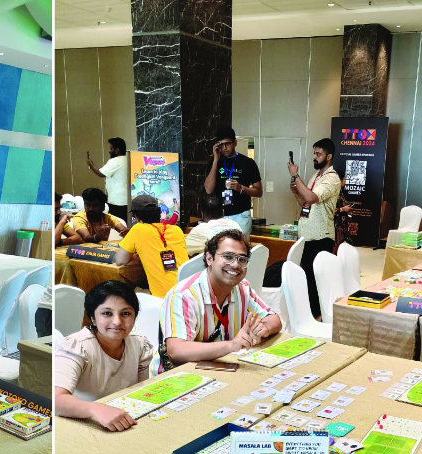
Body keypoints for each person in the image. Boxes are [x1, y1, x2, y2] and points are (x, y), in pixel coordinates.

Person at [161, 229, 281, 366]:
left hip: (224, 367)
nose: (236, 264)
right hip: (181, 375)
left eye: (242, 259)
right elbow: (176, 351)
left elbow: (274, 319)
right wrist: (231, 345)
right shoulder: (183, 295)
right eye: (228, 257)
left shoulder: (242, 288)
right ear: (209, 258)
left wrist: (264, 328)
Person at [54, 281, 153, 431]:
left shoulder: (140, 344)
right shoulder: (77, 347)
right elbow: (55, 399)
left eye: (126, 313)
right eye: (107, 313)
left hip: (125, 422)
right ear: (93, 317)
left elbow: (143, 391)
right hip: (84, 424)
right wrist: (95, 409)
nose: (117, 321)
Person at [287, 138, 341, 319]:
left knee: (316, 279)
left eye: (318, 154)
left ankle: (319, 316)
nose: (315, 157)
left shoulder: (332, 178)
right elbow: (305, 202)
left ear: (329, 156)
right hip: (307, 236)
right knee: (308, 277)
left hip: (321, 237)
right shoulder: (315, 177)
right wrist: (296, 191)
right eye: (314, 154)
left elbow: (311, 197)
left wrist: (295, 176)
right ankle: (312, 315)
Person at [116, 194, 185, 295]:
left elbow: (120, 260)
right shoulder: (177, 230)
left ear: (136, 217)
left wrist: (140, 257)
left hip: (164, 299)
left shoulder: (138, 229)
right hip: (189, 292)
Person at [202, 129, 262, 233]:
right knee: (219, 248)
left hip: (241, 215)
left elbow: (259, 192)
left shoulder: (248, 163)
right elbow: (209, 190)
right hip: (218, 215)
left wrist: (241, 188)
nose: (224, 148)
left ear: (235, 142)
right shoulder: (214, 162)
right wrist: (216, 160)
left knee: (240, 248)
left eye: (227, 144)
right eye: (221, 144)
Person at [60, 187, 125, 246]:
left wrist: (126, 232)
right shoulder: (79, 218)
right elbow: (86, 237)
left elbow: (123, 230)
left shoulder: (108, 217)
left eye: (95, 206)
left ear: (103, 207)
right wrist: (97, 237)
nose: (90, 209)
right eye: (87, 205)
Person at [86, 137, 131, 221]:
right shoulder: (128, 159)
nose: (109, 151)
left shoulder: (115, 161)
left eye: (111, 148)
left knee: (117, 227)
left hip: (117, 202)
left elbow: (101, 173)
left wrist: (90, 164)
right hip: (128, 200)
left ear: (117, 150)